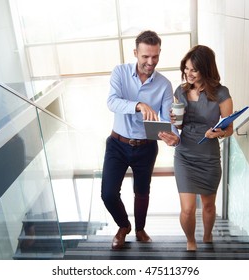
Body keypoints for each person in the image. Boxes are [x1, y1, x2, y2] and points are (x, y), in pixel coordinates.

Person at [101, 30, 180, 250]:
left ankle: (140, 229)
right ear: (136, 52)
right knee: (108, 194)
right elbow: (112, 102)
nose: (150, 62)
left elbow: (167, 117)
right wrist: (139, 105)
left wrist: (174, 137)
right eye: (145, 56)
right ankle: (124, 225)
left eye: (155, 56)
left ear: (159, 53)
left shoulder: (164, 84)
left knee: (142, 191)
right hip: (117, 143)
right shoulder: (120, 72)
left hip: (146, 147)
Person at [160, 45, 233, 251]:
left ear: (206, 69)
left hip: (208, 156)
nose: (188, 73)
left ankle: (208, 237)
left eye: (194, 69)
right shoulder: (180, 91)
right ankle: (190, 241)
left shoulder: (221, 93)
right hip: (184, 154)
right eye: (186, 68)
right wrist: (175, 122)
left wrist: (217, 132)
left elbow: (229, 129)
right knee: (187, 209)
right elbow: (180, 125)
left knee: (208, 207)